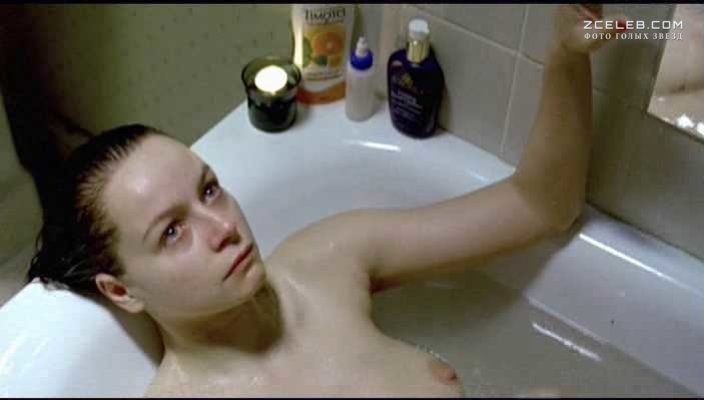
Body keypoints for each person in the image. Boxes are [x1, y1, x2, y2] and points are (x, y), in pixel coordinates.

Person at [27, 5, 623, 397]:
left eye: (209, 189)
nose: (223, 226)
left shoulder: (325, 262)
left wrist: (565, 56)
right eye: (172, 232)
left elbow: (541, 205)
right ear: (122, 291)